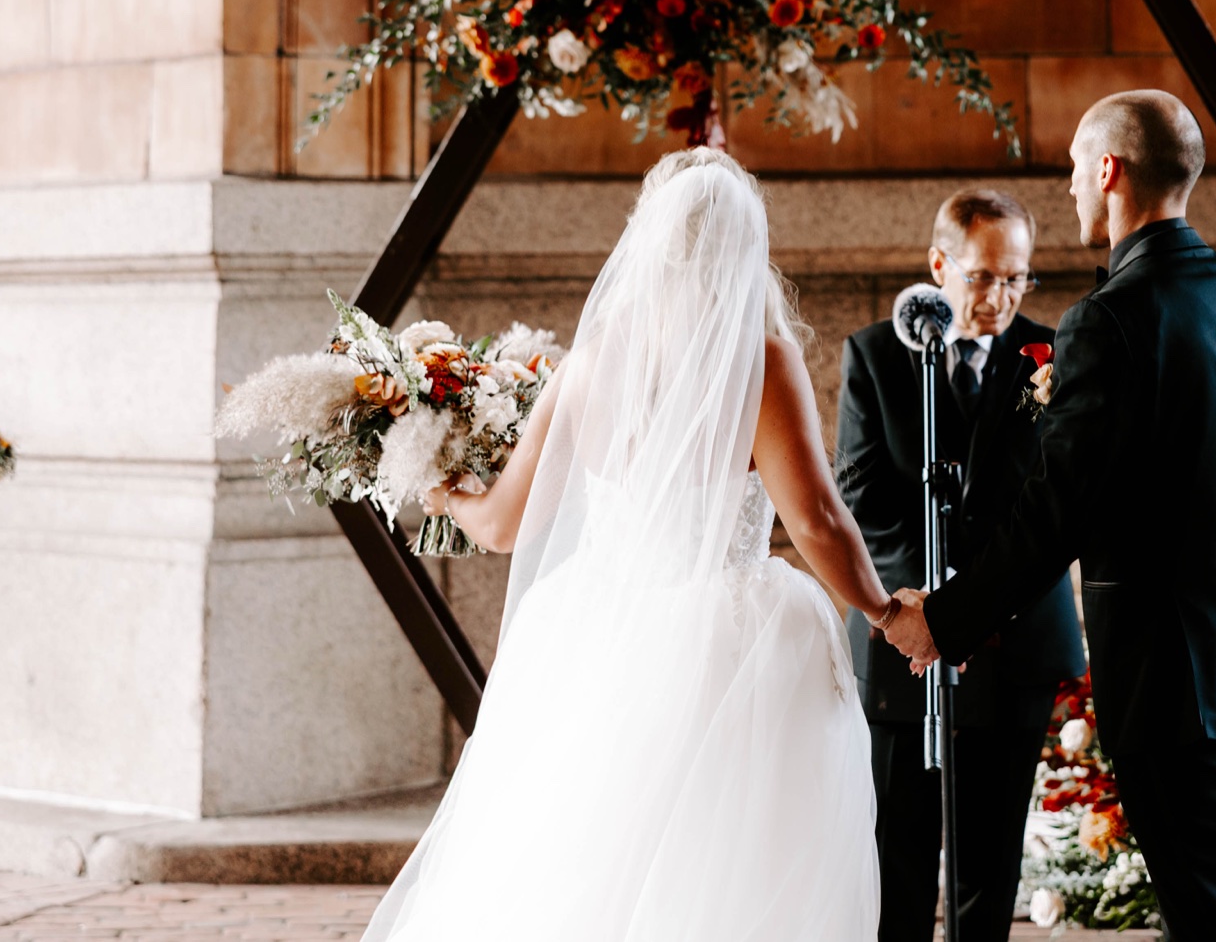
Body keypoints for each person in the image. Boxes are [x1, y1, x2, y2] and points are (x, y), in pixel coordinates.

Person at [361, 148, 895, 941]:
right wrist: (884, 611)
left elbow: (504, 526)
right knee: (727, 862)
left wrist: (443, 488)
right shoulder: (760, 361)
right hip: (731, 646)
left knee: (588, 851)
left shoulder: (591, 363)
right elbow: (815, 518)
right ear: (745, 248)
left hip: (596, 632)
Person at [884, 90, 1216, 942]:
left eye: (1079, 168)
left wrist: (943, 619)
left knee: (1215, 923)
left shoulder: (1110, 319)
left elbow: (1056, 512)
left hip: (1174, 678)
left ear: (1111, 171)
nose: (1074, 185)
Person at [835, 190, 1085, 942]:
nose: (1000, 299)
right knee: (899, 852)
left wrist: (972, 613)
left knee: (990, 855)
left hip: (1016, 643)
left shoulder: (1055, 356)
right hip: (901, 643)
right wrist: (929, 613)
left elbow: (1058, 500)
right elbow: (861, 494)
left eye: (1017, 279)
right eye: (982, 278)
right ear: (939, 266)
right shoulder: (875, 355)